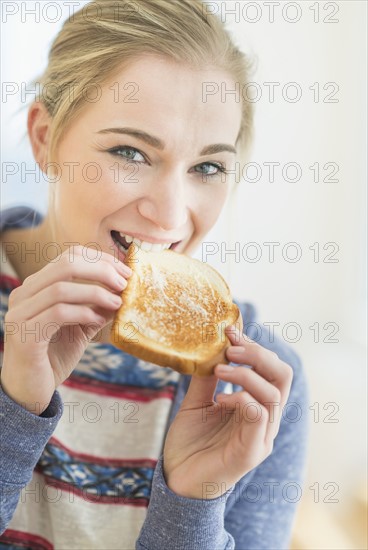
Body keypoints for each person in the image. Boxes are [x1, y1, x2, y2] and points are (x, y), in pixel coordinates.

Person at [0, 0, 309, 548]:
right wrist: (13, 412)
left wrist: (192, 502)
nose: (169, 215)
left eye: (208, 167)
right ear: (46, 138)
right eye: (130, 152)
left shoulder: (256, 385)